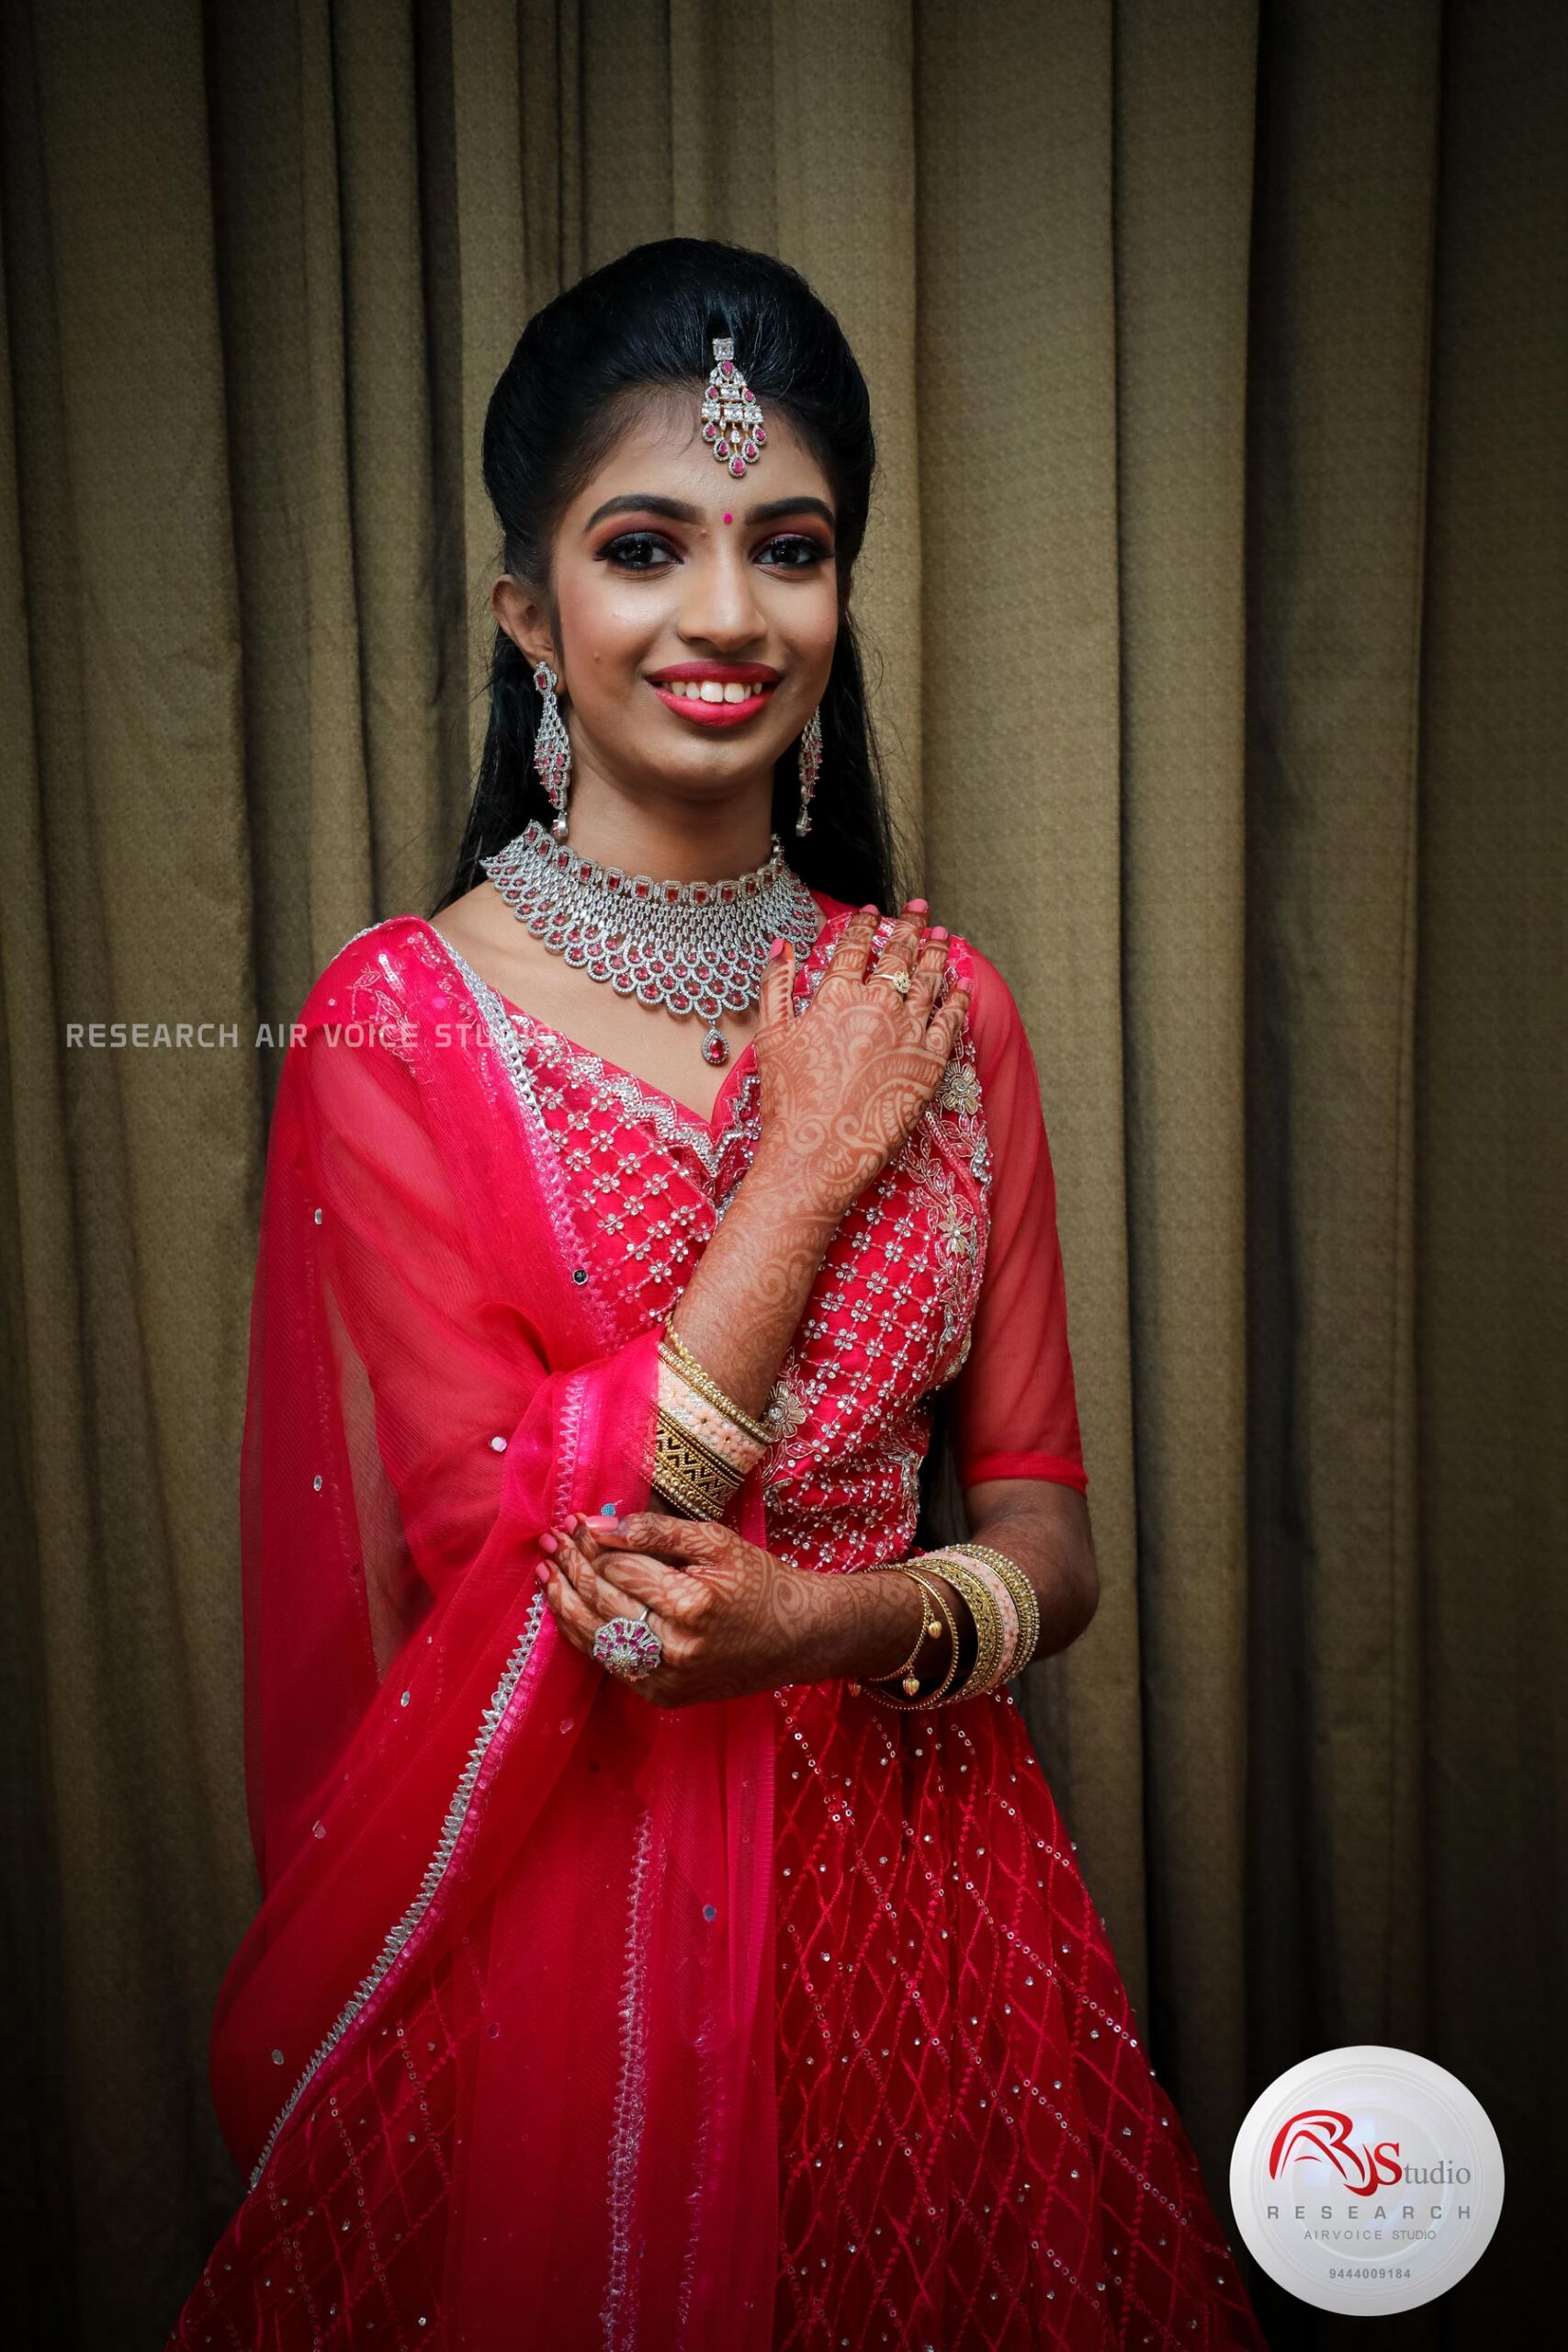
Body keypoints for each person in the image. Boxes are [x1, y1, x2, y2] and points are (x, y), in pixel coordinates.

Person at [169, 239, 1268, 2351]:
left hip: (940, 1928)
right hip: (562, 1936)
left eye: (788, 546)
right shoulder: (398, 1026)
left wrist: (831, 1623)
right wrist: (809, 1167)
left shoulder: (936, 1007)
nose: (726, 614)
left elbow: (1047, 1524)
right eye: (642, 546)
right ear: (527, 613)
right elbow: (531, 1568)